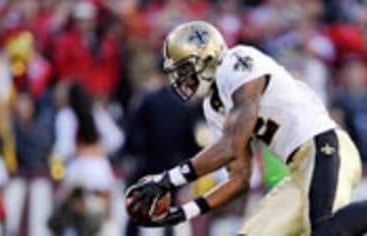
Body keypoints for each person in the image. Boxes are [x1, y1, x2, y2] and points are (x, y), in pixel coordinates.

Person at [126, 21, 363, 235]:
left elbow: (231, 145)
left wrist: (167, 180)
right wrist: (183, 212)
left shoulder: (237, 62)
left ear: (207, 59)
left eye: (185, 71)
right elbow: (239, 179)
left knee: (325, 231)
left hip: (325, 147)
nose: (182, 81)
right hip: (298, 170)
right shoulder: (213, 106)